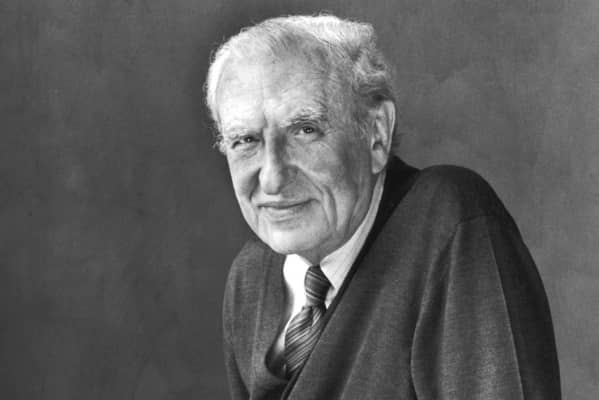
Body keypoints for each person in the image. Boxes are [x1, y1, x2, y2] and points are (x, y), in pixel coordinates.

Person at [205, 14, 561, 400]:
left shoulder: (450, 225)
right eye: (245, 141)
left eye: (305, 130)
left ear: (376, 135)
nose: (272, 178)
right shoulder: (250, 277)